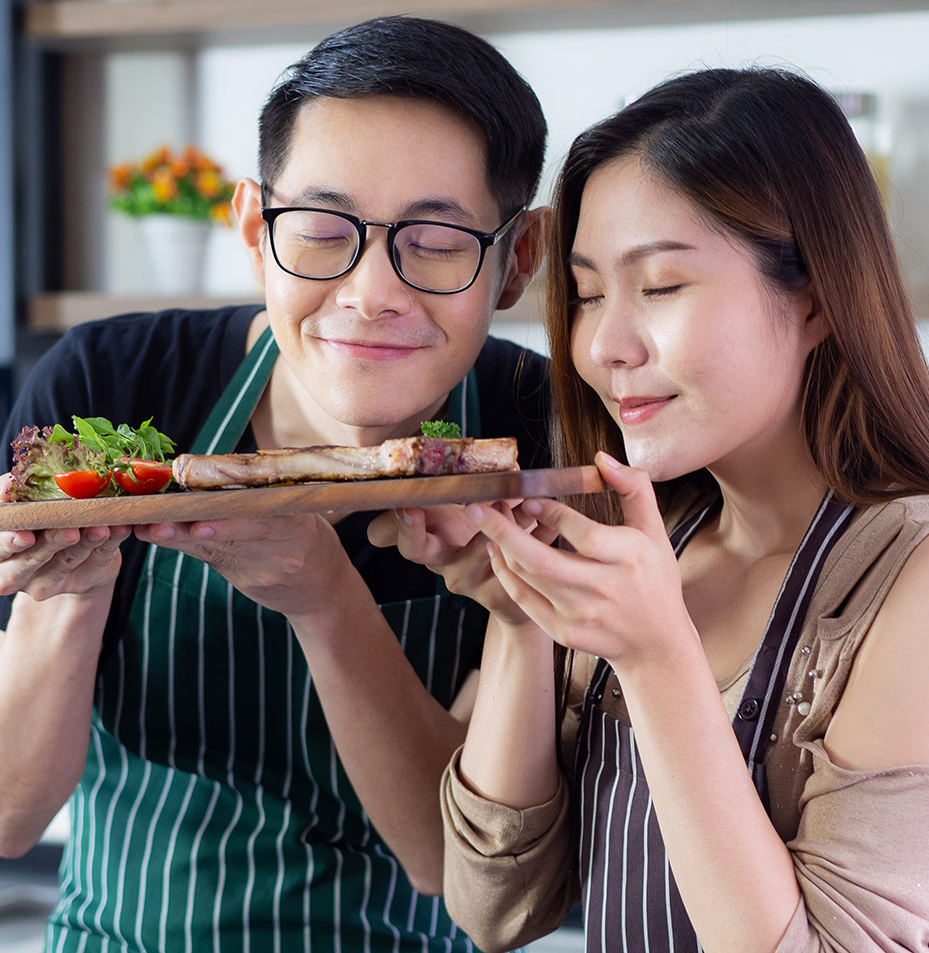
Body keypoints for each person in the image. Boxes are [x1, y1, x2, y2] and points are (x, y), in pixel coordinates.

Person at [0, 16, 550, 952]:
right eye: (321, 232)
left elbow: (456, 868)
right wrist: (69, 595)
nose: (370, 292)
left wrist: (325, 598)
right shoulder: (113, 388)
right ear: (252, 226)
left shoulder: (541, 436)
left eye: (436, 241)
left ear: (515, 259)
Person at [370, 67, 929, 952]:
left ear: (816, 297)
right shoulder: (651, 536)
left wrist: (655, 654)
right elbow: (494, 905)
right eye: (589, 293)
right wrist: (521, 615)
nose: (603, 345)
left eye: (661, 286)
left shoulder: (909, 580)